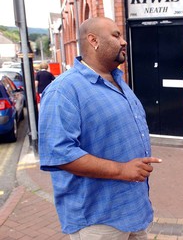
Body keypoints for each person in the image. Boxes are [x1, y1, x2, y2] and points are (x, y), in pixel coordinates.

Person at [38, 17, 162, 240]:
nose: (124, 41)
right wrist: (122, 170)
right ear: (93, 40)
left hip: (135, 209)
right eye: (116, 36)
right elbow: (59, 154)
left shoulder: (118, 81)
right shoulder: (64, 90)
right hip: (98, 220)